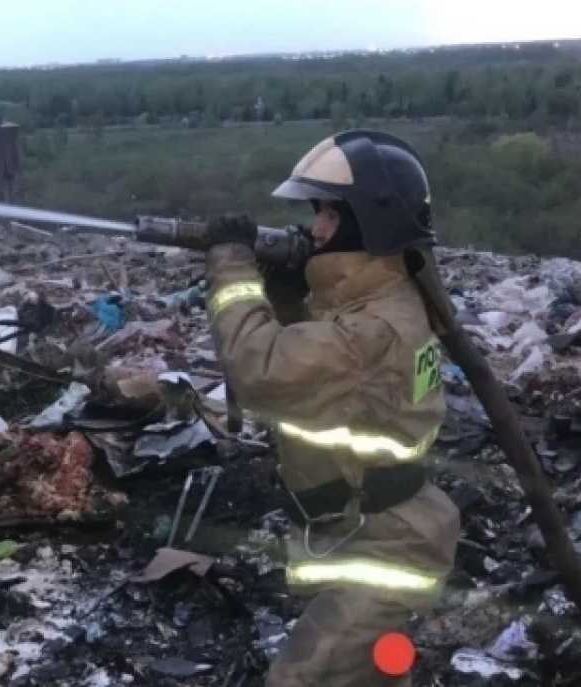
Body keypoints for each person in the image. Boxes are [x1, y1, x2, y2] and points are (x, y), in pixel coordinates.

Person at [203, 130, 460, 686]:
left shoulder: (372, 329)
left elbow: (260, 369)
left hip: (385, 547)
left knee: (307, 678)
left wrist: (232, 269)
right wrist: (291, 292)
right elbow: (323, 371)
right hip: (377, 528)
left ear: (370, 224)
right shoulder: (382, 296)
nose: (314, 229)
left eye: (328, 217)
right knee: (374, 670)